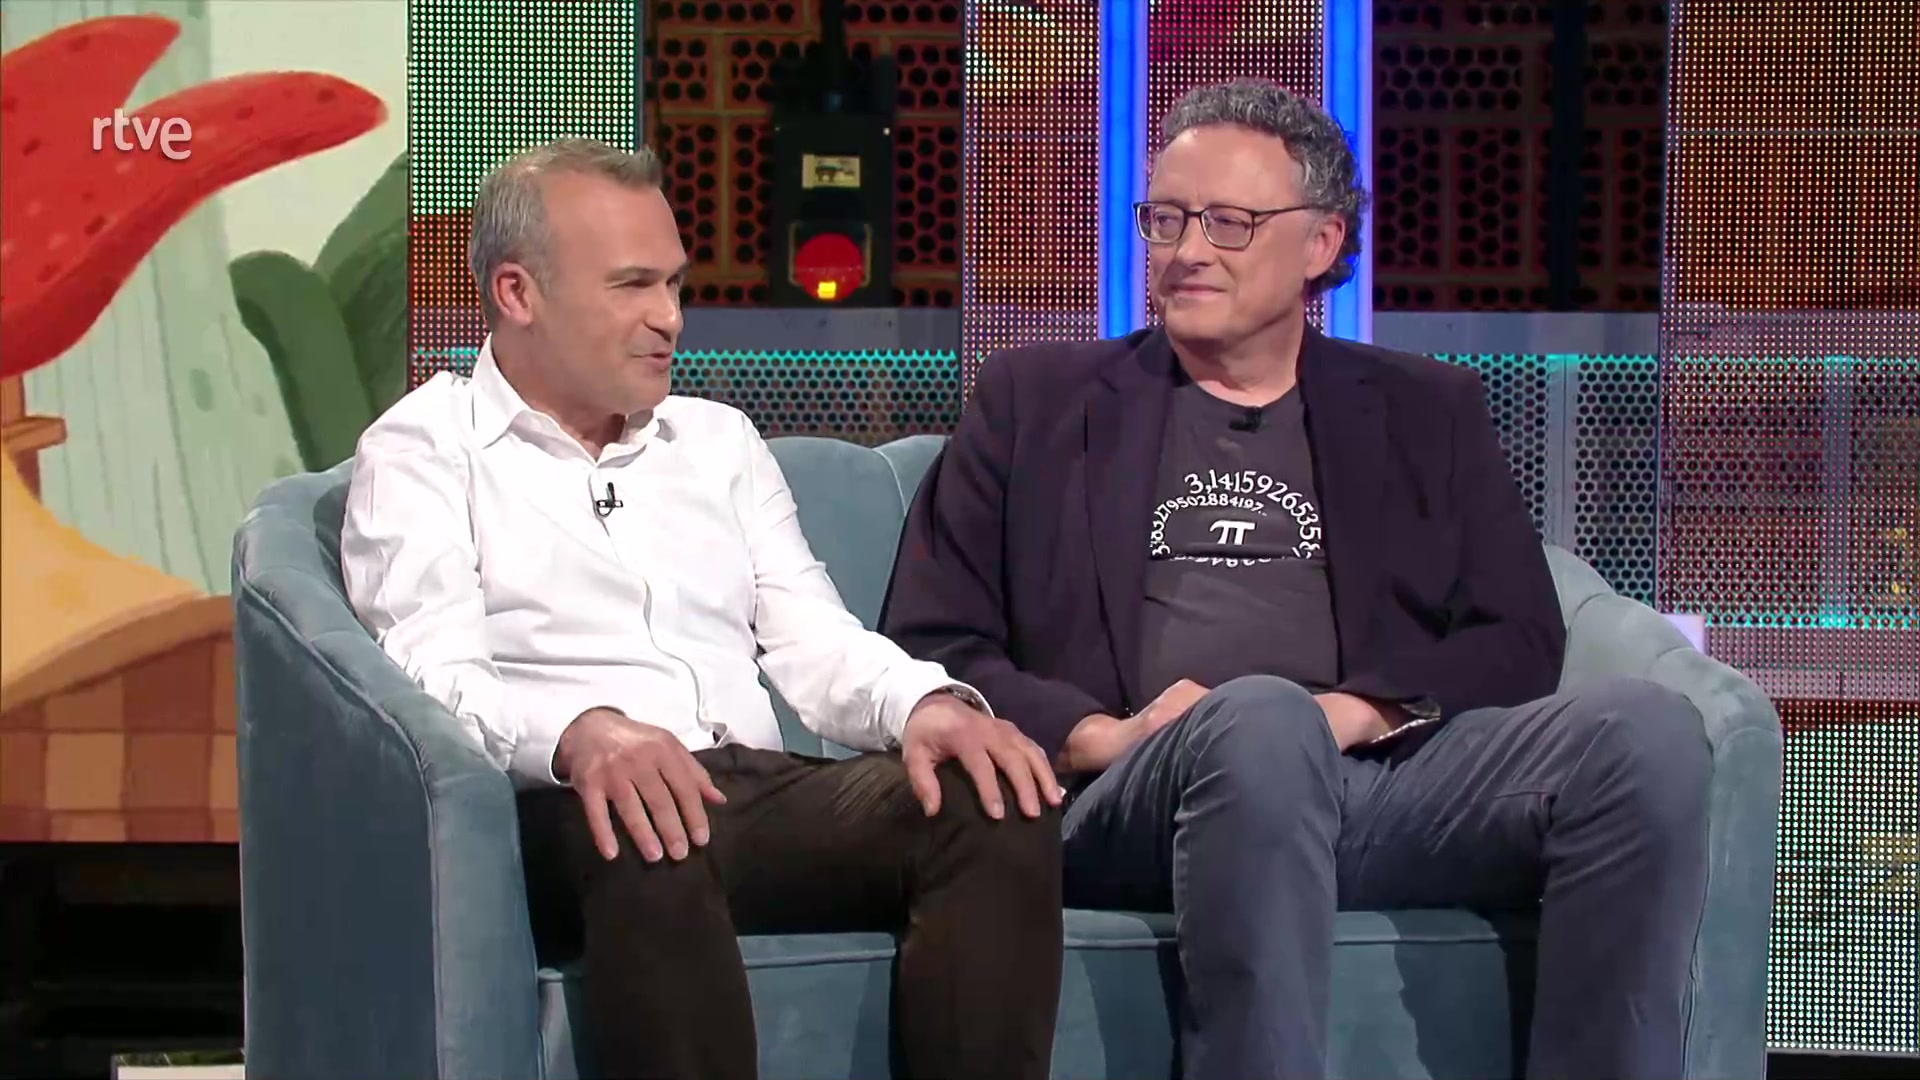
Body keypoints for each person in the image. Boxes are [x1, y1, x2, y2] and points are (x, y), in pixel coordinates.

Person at [880, 79, 1713, 1080]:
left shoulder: (1426, 411)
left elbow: (1519, 636)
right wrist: (1103, 735)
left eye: (1228, 222)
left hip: (1374, 783)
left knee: (1646, 734)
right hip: (1131, 793)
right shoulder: (1038, 402)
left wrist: (1349, 716)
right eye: (1166, 219)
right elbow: (930, 641)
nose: (1188, 250)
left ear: (1321, 243)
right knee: (1260, 720)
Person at [339, 138, 1065, 1080]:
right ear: (517, 293)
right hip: (566, 803)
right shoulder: (424, 449)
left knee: (986, 799)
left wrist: (925, 704)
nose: (670, 318)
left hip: (748, 790)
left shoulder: (718, 442)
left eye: (675, 284)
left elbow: (813, 637)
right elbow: (433, 678)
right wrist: (582, 733)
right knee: (646, 821)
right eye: (633, 286)